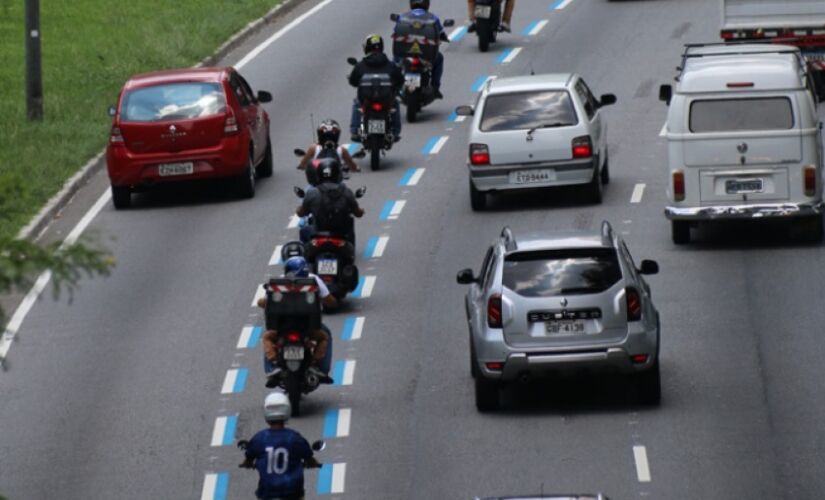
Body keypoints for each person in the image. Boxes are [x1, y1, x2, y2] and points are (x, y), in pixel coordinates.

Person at [257, 253, 337, 388]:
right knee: (325, 336)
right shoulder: (313, 280)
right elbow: (330, 301)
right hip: (309, 328)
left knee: (267, 337)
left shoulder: (279, 282)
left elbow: (265, 302)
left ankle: (272, 369)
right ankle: (320, 368)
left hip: (281, 329)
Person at [240, 392, 322, 500]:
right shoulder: (294, 438)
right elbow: (310, 459)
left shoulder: (259, 438)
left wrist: (247, 464)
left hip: (267, 493)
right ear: (287, 411)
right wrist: (315, 464)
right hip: (292, 493)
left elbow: (248, 459)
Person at [348, 34, 404, 143]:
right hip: (386, 100)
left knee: (356, 103)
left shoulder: (361, 65)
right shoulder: (390, 65)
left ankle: (355, 130)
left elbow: (353, 81)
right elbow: (400, 80)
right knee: (395, 103)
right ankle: (395, 131)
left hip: (366, 100)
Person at [296, 159, 364, 245]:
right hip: (341, 234)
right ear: (338, 174)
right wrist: (361, 211)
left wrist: (298, 210)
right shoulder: (346, 191)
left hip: (318, 234)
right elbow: (358, 213)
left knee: (303, 231)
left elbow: (301, 213)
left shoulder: (311, 192)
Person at [395, 0, 449, 98]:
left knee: (395, 61)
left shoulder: (403, 17)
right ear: (427, 4)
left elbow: (396, 32)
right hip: (425, 54)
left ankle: (393, 85)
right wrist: (444, 38)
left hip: (406, 53)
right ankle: (435, 87)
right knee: (439, 58)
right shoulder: (433, 18)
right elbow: (441, 33)